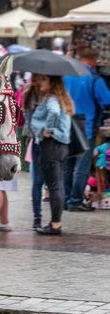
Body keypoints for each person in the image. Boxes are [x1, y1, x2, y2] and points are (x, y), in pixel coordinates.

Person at [64, 48, 110, 211]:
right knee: (81, 167)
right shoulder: (94, 79)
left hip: (65, 125)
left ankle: (65, 200)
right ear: (93, 60)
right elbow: (107, 101)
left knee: (67, 165)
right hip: (86, 127)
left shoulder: (66, 76)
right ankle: (75, 201)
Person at [30, 74, 74, 235]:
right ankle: (56, 222)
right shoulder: (60, 98)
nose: (39, 82)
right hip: (61, 146)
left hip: (51, 145)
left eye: (43, 79)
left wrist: (47, 130)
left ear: (52, 82)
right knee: (57, 185)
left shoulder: (52, 99)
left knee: (53, 186)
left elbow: (53, 113)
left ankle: (55, 224)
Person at [22, 76, 45, 229]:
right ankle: (39, 217)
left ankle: (37, 217)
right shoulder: (32, 94)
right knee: (44, 182)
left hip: (36, 141)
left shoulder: (29, 92)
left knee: (38, 182)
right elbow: (30, 121)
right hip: (42, 141)